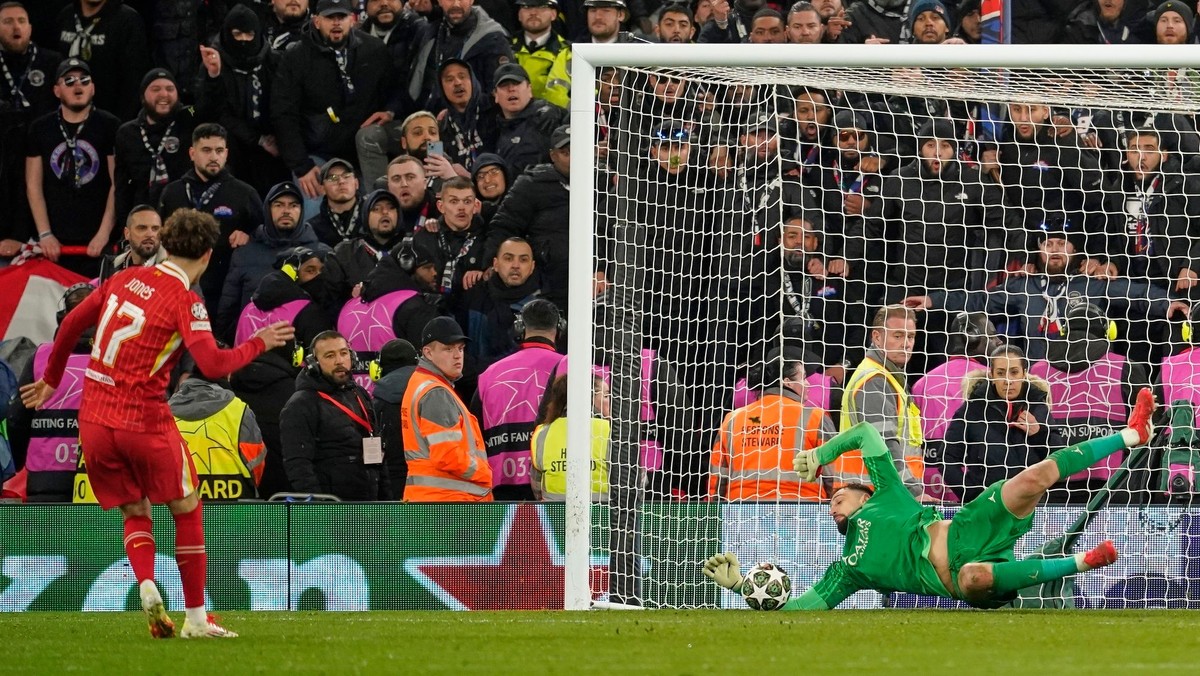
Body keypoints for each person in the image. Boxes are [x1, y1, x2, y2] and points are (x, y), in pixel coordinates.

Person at [19, 207, 295, 638]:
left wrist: (51, 379)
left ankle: (147, 584)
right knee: (186, 509)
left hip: (93, 421)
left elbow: (72, 322)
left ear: (165, 243)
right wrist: (260, 341)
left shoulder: (123, 277)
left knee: (135, 511)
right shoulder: (187, 300)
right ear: (206, 255)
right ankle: (196, 619)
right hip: (143, 420)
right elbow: (212, 361)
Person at [703, 388, 1157, 610]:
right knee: (979, 576)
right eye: (831, 502)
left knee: (1032, 477)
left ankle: (1131, 433)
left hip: (967, 527)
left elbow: (863, 433)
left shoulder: (889, 494)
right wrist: (744, 586)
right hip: (960, 577)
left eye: (839, 493)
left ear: (863, 492)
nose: (832, 501)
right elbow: (807, 606)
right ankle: (1082, 562)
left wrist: (821, 454)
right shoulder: (848, 567)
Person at [272, 0, 395, 215]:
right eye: (330, 17)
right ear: (317, 21)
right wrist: (302, 166)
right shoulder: (296, 56)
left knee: (375, 212)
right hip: (317, 155)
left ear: (353, 19)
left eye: (342, 17)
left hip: (361, 153)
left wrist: (390, 111)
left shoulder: (374, 50)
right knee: (314, 214)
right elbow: (283, 115)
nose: (336, 23)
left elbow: (396, 91)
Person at [1027, 297, 1153, 496]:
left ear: (1064, 331)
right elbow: (1146, 425)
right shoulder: (1126, 366)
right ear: (1108, 332)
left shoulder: (1036, 370)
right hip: (1111, 485)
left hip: (1051, 479)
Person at [25, 57, 119, 278]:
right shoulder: (40, 128)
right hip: (55, 239)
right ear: (57, 90)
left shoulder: (110, 125)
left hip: (98, 237)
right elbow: (33, 184)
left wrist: (104, 234)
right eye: (69, 81)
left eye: (84, 80)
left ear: (93, 88)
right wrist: (45, 233)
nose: (78, 85)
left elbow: (118, 184)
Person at [708, 347, 836, 502]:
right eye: (803, 377)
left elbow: (716, 480)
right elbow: (833, 475)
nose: (808, 383)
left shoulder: (732, 419)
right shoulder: (816, 417)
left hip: (741, 515)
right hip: (802, 514)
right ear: (787, 383)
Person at [942, 344, 1064, 503]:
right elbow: (947, 457)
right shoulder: (973, 408)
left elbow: (1060, 459)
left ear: (1024, 374)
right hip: (986, 509)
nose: (1008, 380)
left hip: (1030, 506)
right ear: (991, 375)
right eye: (1000, 373)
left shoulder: (1038, 406)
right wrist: (972, 496)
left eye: (1014, 372)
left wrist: (1039, 434)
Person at [159, 123, 263, 304]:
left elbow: (265, 236)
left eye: (219, 150)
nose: (214, 156)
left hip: (226, 288)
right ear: (192, 153)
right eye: (206, 150)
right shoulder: (172, 193)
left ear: (226, 154)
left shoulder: (245, 194)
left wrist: (250, 237)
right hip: (177, 285)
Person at [831, 305, 928, 498]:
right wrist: (912, 492)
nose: (906, 344)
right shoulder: (874, 380)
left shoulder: (887, 376)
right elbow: (885, 445)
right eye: (898, 336)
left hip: (875, 493)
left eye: (910, 337)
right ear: (876, 337)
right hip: (875, 495)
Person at [472, 298, 565, 500]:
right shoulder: (568, 369)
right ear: (560, 328)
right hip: (554, 480)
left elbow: (473, 432)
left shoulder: (488, 374)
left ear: (519, 327)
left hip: (500, 483)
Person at [280, 330, 388, 500]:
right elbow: (298, 465)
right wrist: (319, 508)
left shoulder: (360, 394)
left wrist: (387, 500)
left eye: (344, 353)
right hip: (331, 508)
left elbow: (378, 451)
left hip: (369, 502)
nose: (339, 361)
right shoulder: (301, 403)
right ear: (313, 363)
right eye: (330, 356)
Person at [194, 5, 289, 197]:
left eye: (249, 34)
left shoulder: (275, 61)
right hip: (233, 147)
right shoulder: (213, 62)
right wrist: (214, 76)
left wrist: (276, 138)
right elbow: (208, 112)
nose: (244, 40)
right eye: (237, 34)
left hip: (273, 144)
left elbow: (285, 104)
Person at [217, 181, 324, 341]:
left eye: (293, 205)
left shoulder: (321, 254)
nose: (286, 211)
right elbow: (228, 309)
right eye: (279, 205)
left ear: (302, 210)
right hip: (253, 350)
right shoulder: (245, 253)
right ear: (267, 209)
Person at [401, 317, 492, 501]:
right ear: (427, 352)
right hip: (448, 503)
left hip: (433, 500)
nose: (457, 355)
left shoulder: (423, 384)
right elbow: (447, 455)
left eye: (460, 348)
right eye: (448, 349)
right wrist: (485, 473)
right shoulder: (435, 392)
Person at [19, 282, 94, 502]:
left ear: (63, 318)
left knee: (45, 537)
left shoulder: (41, 356)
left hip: (45, 476)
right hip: (101, 481)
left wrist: (22, 459)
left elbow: (17, 418)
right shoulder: (116, 357)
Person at [911, 311, 999, 498]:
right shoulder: (991, 380)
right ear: (973, 337)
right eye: (991, 336)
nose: (998, 342)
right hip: (977, 481)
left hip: (929, 482)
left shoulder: (921, 383)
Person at [485, 124, 571, 314]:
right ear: (553, 156)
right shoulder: (532, 184)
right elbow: (504, 225)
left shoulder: (603, 181)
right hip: (546, 286)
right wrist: (488, 264)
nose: (574, 158)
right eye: (566, 152)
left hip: (594, 283)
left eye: (577, 151)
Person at [0, 2, 62, 259]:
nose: (16, 27)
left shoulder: (51, 61)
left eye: (22, 21)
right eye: (8, 21)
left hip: (40, 149)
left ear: (31, 27)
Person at [168, 366, 267, 502]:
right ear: (227, 375)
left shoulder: (164, 413)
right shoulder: (239, 410)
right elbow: (257, 461)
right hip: (233, 506)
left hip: (178, 506)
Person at [113, 68, 195, 224]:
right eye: (156, 89)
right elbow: (122, 187)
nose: (164, 94)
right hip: (143, 220)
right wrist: (125, 228)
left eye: (170, 89)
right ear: (143, 95)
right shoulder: (127, 132)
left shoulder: (188, 116)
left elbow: (206, 107)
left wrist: (213, 76)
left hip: (184, 219)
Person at [406, 0, 515, 111]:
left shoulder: (493, 40)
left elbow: (500, 94)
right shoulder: (431, 32)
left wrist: (457, 114)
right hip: (424, 116)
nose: (456, 4)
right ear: (439, 1)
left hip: (475, 121)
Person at [339, 236, 443, 352]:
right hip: (403, 370)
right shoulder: (416, 307)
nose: (434, 273)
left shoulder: (350, 305)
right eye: (427, 268)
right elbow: (434, 357)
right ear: (407, 266)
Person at [53, 0, 149, 120]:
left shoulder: (128, 19)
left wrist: (119, 126)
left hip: (111, 120)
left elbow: (134, 81)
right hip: (66, 118)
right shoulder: (66, 15)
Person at [455, 236, 542, 366]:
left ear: (532, 267)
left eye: (523, 260)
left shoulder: (541, 308)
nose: (516, 265)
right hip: (474, 380)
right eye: (508, 258)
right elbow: (456, 348)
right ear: (495, 264)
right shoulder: (473, 297)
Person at [320, 188, 407, 307]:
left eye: (391, 208)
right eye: (376, 209)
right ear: (365, 215)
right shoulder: (343, 254)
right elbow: (330, 302)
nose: (385, 212)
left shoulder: (411, 248)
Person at [529, 373, 609, 501]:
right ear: (590, 398)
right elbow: (637, 481)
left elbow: (536, 484)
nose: (610, 401)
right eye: (606, 396)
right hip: (605, 515)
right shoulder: (612, 432)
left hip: (554, 514)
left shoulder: (541, 433)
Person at [236, 246, 331, 352]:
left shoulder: (250, 306)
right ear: (292, 274)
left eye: (322, 271)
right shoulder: (310, 312)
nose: (319, 276)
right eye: (310, 271)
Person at [484, 62, 567, 178]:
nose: (511, 89)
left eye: (517, 83)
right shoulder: (491, 130)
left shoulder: (549, 118)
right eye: (504, 85)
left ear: (529, 89)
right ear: (495, 95)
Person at [413, 176, 488, 298]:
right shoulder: (425, 237)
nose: (461, 207)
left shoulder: (487, 238)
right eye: (454, 201)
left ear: (475, 206)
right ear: (441, 206)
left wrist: (484, 276)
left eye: (467, 201)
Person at [369, 338, 420, 499]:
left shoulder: (373, 405)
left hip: (390, 485)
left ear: (377, 369)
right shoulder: (434, 394)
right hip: (429, 486)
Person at [512, 0, 572, 108]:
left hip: (557, 122)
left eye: (542, 7)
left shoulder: (569, 52)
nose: (534, 12)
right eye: (527, 7)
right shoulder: (504, 48)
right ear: (519, 15)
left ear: (553, 14)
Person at [97, 204, 166, 283]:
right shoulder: (112, 267)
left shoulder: (171, 269)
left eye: (155, 229)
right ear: (127, 233)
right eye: (142, 228)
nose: (150, 234)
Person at [305, 157, 362, 248]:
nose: (341, 181)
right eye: (333, 178)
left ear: (356, 183)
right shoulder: (312, 228)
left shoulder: (373, 217)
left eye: (346, 176)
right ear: (323, 188)